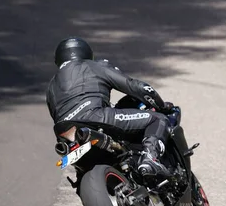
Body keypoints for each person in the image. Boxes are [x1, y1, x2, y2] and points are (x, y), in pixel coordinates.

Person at [46, 36, 174, 177]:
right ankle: (150, 159)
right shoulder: (94, 65)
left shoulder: (51, 87)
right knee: (158, 119)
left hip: (65, 135)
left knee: (81, 173)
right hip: (96, 117)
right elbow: (137, 87)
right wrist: (161, 105)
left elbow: (56, 116)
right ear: (87, 53)